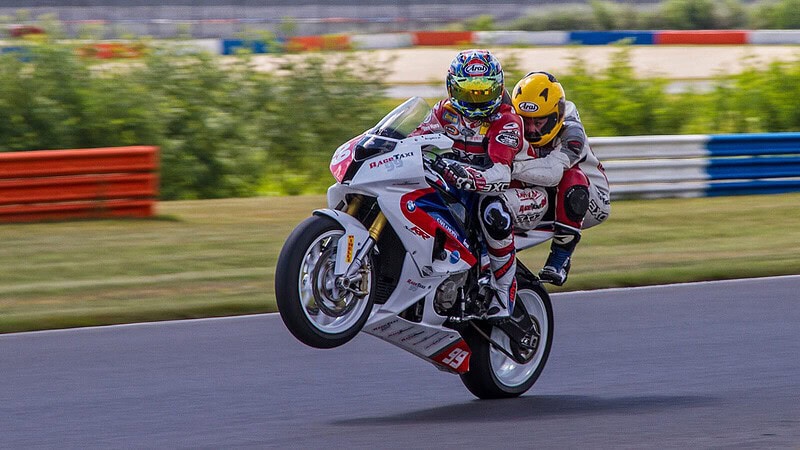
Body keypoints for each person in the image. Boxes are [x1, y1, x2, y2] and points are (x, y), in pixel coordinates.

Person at [413, 49, 548, 320]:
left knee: (492, 209)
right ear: (452, 88)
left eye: (484, 92)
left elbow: (500, 174)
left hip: (520, 191)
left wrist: (468, 175)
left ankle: (503, 291)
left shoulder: (506, 120)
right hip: (469, 188)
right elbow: (414, 139)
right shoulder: (444, 112)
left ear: (498, 88)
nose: (476, 101)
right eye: (468, 92)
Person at [510, 71, 611, 286]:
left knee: (570, 178)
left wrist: (507, 169)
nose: (531, 129)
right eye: (525, 121)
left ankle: (560, 257)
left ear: (556, 115)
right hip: (545, 186)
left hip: (590, 200)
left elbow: (552, 173)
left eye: (539, 122)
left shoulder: (572, 133)